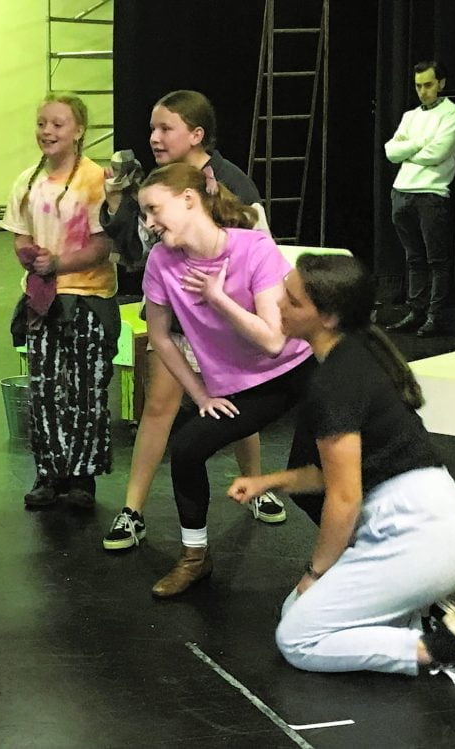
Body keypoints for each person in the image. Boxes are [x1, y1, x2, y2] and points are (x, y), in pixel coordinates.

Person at [228, 254, 455, 678]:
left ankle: (439, 646)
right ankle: (425, 614)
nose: (278, 304)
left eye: (292, 301)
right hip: (432, 527)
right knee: (294, 610)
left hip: (417, 536)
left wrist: (315, 572)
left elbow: (344, 497)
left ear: (327, 317)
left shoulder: (335, 382)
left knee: (297, 639)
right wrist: (268, 481)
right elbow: (337, 473)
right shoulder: (357, 353)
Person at [101, 89, 283, 554]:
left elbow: (256, 249)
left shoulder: (233, 182)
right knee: (158, 408)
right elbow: (137, 252)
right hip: (178, 322)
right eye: (153, 128)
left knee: (239, 405)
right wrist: (118, 205)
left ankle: (255, 485)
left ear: (196, 134)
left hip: (226, 324)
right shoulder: (155, 183)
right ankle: (133, 510)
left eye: (166, 128)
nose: (155, 137)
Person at [138, 162, 314, 597]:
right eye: (144, 214)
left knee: (313, 478)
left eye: (154, 209)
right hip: (243, 386)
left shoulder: (253, 248)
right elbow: (159, 337)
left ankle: (355, 557)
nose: (149, 223)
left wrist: (216, 298)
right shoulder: (161, 261)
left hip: (299, 371)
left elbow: (273, 341)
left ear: (188, 199)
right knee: (187, 449)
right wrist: (200, 393)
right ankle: (195, 557)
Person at [2, 93, 118, 510]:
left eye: (57, 124)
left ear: (79, 130)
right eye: (42, 123)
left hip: (87, 297)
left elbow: (103, 246)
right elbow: (20, 233)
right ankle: (50, 472)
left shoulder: (96, 180)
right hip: (43, 300)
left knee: (87, 388)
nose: (47, 131)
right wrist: (27, 254)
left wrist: (58, 263)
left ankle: (83, 478)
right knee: (46, 388)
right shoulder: (26, 181)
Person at [384, 60, 455, 338]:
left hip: (431, 194)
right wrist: (420, 143)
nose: (422, 91)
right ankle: (415, 311)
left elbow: (438, 153)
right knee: (413, 258)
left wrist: (407, 149)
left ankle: (434, 316)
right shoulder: (410, 116)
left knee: (436, 260)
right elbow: (390, 152)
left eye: (428, 85)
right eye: (418, 86)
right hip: (402, 191)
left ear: (441, 83)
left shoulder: (452, 114)